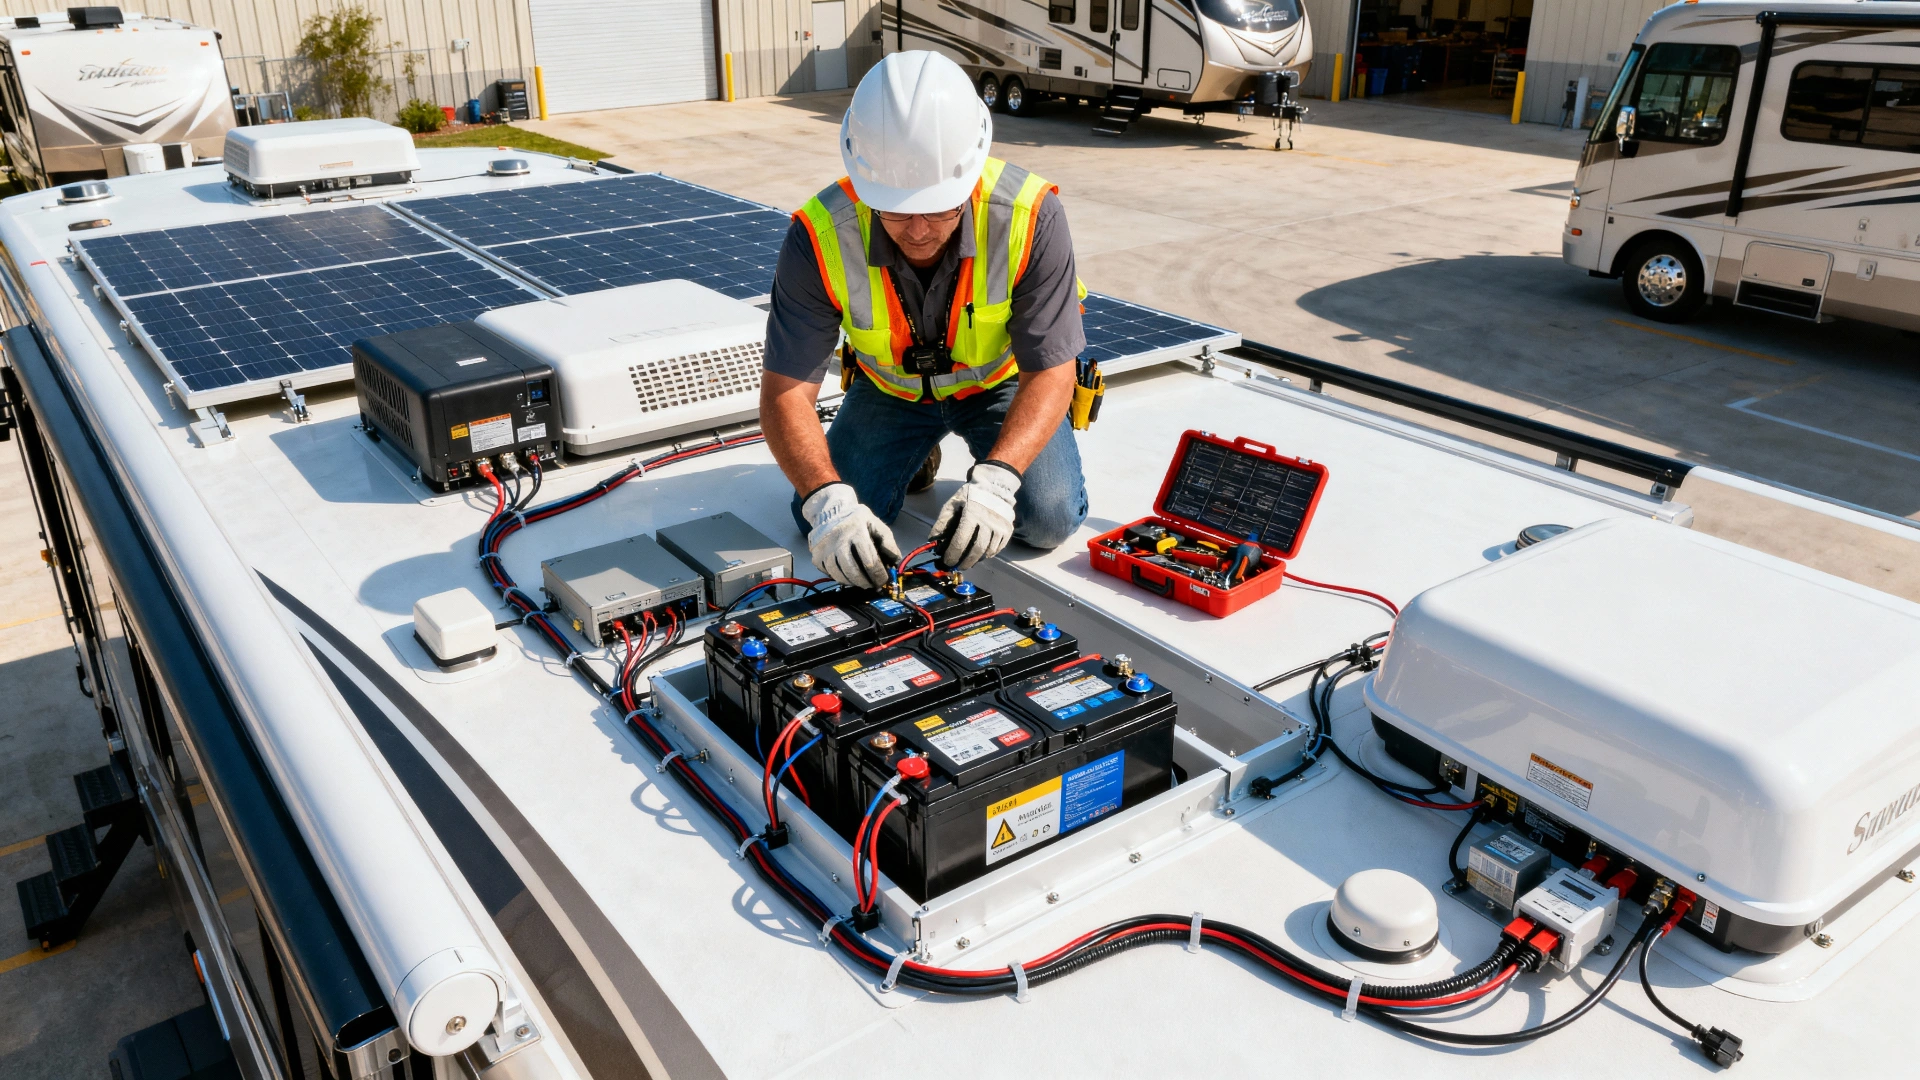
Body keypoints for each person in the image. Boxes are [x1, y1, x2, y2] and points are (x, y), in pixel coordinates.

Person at [758, 50, 1089, 590]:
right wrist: (827, 501)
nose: (917, 230)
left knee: (1048, 520)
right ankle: (917, 451)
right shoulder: (818, 235)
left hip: (999, 385)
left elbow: (1052, 369)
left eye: (939, 208)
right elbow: (785, 393)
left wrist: (996, 485)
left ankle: (960, 456)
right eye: (894, 209)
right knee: (816, 519)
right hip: (891, 392)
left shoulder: (1030, 217)